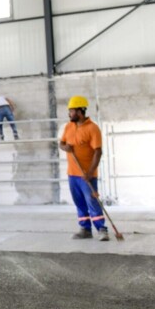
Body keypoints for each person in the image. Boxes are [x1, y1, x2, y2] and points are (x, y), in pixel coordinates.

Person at [59, 95, 108, 241]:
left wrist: (90, 172)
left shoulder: (93, 129)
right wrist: (65, 147)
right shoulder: (68, 127)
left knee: (92, 201)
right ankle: (85, 229)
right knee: (79, 202)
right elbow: (61, 143)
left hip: (87, 174)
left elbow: (98, 152)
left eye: (72, 111)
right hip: (72, 174)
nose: (69, 113)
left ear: (80, 111)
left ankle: (101, 229)